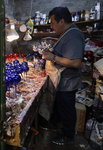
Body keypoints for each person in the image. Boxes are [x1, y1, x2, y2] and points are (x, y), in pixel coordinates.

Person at [41, 7, 85, 145]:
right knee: (61, 107)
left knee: (67, 109)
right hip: (62, 81)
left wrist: (53, 57)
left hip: (67, 83)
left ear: (61, 21)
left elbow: (76, 62)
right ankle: (58, 126)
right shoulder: (67, 33)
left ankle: (68, 137)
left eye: (52, 22)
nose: (51, 26)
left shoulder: (73, 35)